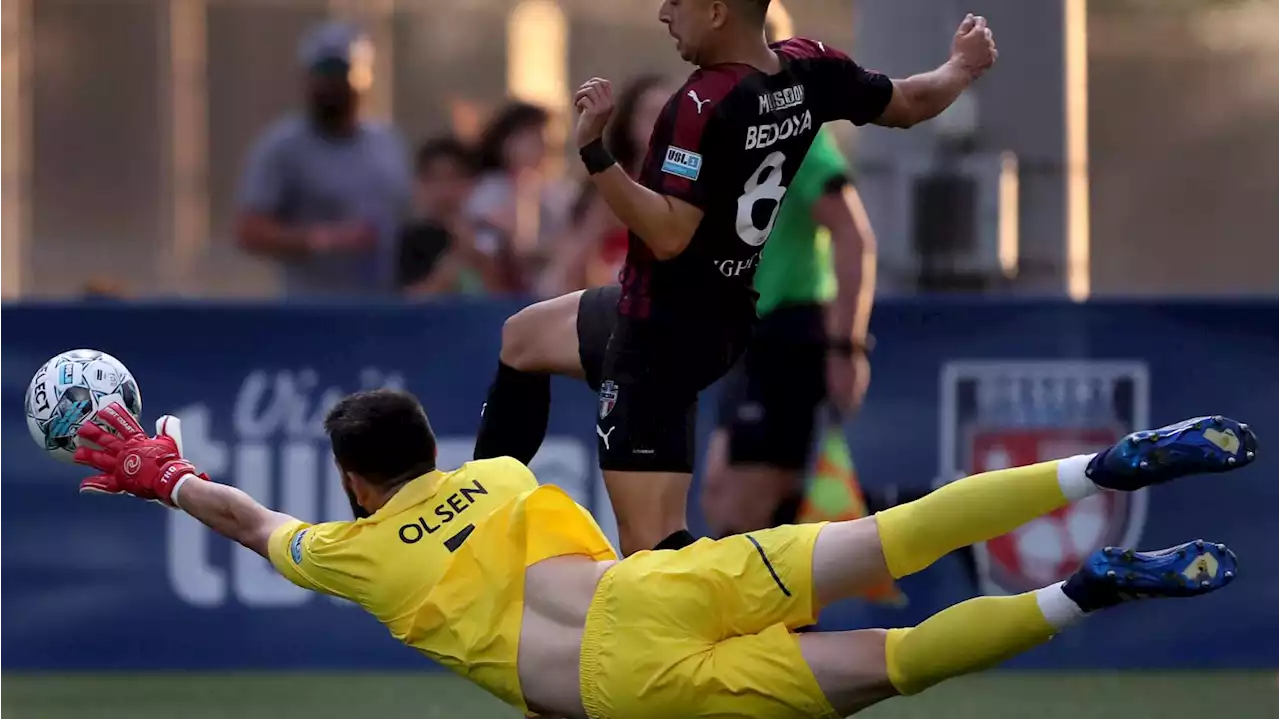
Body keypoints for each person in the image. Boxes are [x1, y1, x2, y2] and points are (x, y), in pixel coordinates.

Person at [73, 396, 1255, 718]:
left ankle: (1079, 591)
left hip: (618, 686)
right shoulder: (503, 477)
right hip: (656, 581)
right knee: (904, 529)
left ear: (351, 482)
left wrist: (166, 472)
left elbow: (244, 519)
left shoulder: (352, 552)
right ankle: (1098, 470)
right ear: (430, 448)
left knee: (887, 665)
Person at [474, 0, 998, 557]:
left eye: (676, 2)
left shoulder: (701, 105)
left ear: (717, 11)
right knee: (523, 339)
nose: (662, 13)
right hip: (715, 316)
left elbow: (670, 234)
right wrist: (960, 67)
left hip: (660, 331)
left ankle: (747, 631)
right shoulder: (810, 68)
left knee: (652, 551)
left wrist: (595, 153)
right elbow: (910, 101)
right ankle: (475, 523)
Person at [234, 21, 412, 298]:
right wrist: (325, 239)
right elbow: (249, 231)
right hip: (315, 310)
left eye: (342, 72)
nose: (332, 83)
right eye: (323, 72)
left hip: (384, 308)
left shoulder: (387, 142)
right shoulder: (283, 146)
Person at [542, 75, 676, 296]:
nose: (662, 123)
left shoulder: (692, 185)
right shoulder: (610, 185)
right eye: (652, 114)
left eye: (670, 113)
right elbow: (569, 268)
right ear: (629, 123)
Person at [464, 102, 570, 294]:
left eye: (540, 135)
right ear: (503, 141)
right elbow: (497, 247)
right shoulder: (487, 190)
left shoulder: (561, 192)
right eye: (526, 136)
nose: (535, 144)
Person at [398, 137, 494, 296]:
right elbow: (412, 300)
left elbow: (503, 294)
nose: (444, 189)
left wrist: (477, 255)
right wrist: (453, 262)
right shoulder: (414, 237)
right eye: (434, 179)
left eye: (453, 177)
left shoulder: (488, 230)